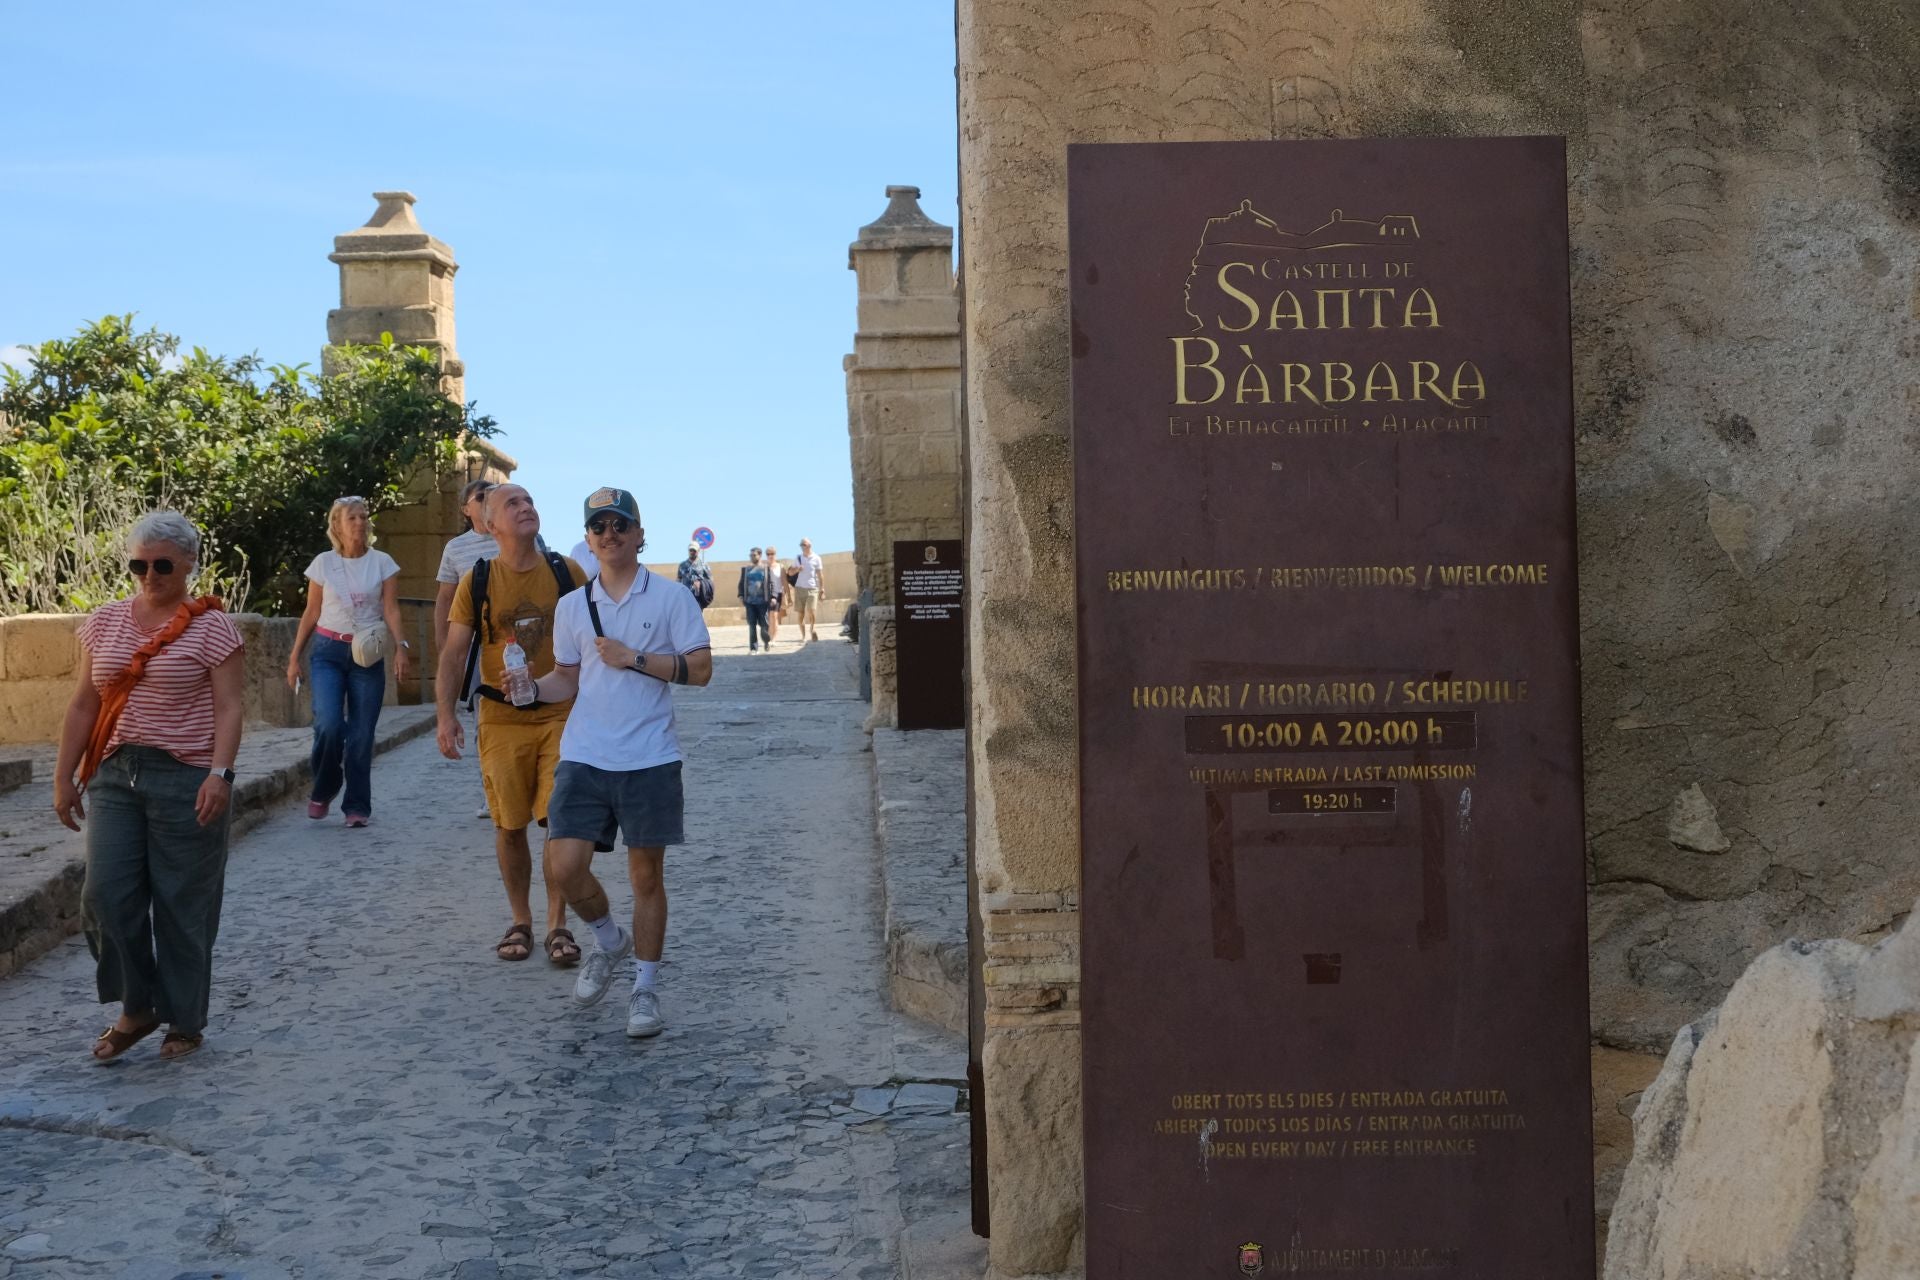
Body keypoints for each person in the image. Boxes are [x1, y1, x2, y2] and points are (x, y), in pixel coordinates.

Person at [53, 511, 245, 1062]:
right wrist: (64, 776)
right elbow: (84, 702)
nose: (149, 574)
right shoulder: (105, 622)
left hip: (185, 774)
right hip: (113, 774)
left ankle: (185, 1019)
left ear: (187, 563)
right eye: (139, 564)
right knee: (105, 897)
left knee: (184, 903)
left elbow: (231, 706)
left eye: (162, 564)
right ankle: (137, 1007)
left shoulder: (213, 628)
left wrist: (220, 773)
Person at [535, 486, 712, 1038]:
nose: (608, 534)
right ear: (588, 539)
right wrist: (525, 689)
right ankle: (610, 940)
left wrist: (633, 658)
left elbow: (701, 669)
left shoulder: (671, 599)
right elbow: (566, 678)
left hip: (649, 757)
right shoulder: (571, 607)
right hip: (585, 754)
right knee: (564, 866)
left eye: (619, 525)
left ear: (639, 534)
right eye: (598, 527)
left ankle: (645, 990)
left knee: (645, 878)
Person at [436, 483, 590, 965]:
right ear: (489, 524)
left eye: (529, 501)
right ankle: (520, 919)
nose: (526, 508)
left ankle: (557, 926)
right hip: (501, 717)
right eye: (512, 504)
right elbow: (455, 652)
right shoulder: (477, 580)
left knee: (558, 821)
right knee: (509, 824)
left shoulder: (567, 572)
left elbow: (597, 639)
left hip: (562, 712)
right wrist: (444, 716)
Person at [286, 497, 413, 827]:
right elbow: (311, 611)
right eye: (352, 518)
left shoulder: (383, 562)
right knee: (328, 724)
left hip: (367, 655)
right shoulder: (324, 564)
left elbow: (391, 608)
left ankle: (356, 806)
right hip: (328, 650)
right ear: (337, 525)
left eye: (363, 517)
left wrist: (400, 647)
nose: (360, 523)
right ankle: (325, 786)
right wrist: (294, 656)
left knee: (361, 734)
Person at [435, 478, 498, 820]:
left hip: (524, 642)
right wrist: (445, 648)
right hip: (476, 645)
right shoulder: (456, 549)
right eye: (481, 496)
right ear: (466, 508)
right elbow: (444, 600)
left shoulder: (522, 538)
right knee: (484, 719)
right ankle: (493, 792)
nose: (489, 500)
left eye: (493, 495)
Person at [737, 547, 773, 652]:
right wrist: (741, 595)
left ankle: (766, 641)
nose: (752, 557)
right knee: (752, 625)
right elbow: (741, 584)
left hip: (763, 602)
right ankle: (753, 648)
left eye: (754, 555)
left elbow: (771, 583)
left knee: (764, 625)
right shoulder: (746, 570)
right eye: (750, 555)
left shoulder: (766, 569)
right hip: (750, 602)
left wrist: (773, 597)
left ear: (759, 556)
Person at [790, 537, 825, 642]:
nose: (802, 546)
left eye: (803, 544)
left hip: (812, 588)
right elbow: (790, 573)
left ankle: (813, 628)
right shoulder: (798, 558)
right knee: (801, 614)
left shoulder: (817, 558)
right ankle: (803, 636)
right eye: (800, 545)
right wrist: (797, 569)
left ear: (809, 546)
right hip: (799, 588)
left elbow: (820, 575)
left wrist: (822, 589)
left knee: (811, 610)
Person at [677, 542, 715, 610]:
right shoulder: (682, 565)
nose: (692, 552)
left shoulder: (704, 565)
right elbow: (678, 579)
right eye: (690, 550)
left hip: (698, 596)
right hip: (686, 596)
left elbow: (710, 581)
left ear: (698, 551)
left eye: (694, 550)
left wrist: (701, 584)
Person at [763, 543, 785, 645]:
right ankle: (769, 637)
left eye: (772, 553)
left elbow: (784, 582)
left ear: (775, 554)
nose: (770, 556)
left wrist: (787, 596)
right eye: (768, 554)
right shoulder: (764, 567)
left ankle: (774, 639)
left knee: (774, 616)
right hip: (767, 595)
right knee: (768, 617)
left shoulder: (780, 567)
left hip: (778, 594)